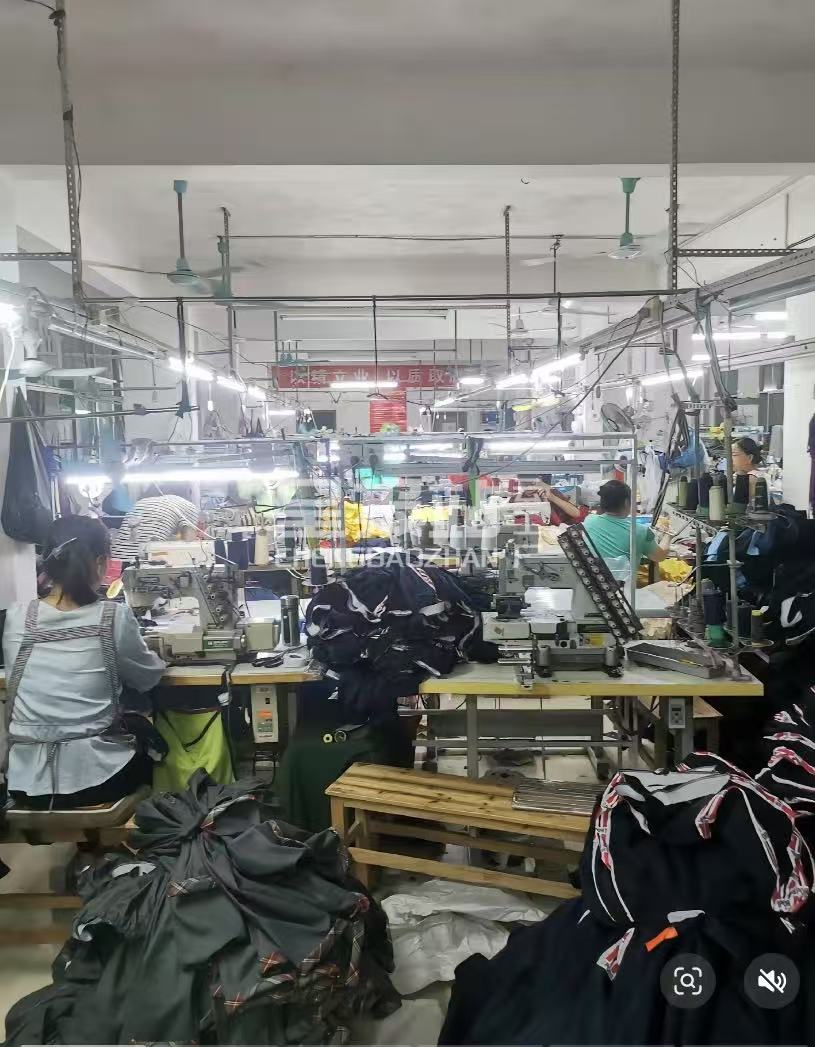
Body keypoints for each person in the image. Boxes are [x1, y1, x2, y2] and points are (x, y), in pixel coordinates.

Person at [3, 515, 166, 809]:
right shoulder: (112, 617)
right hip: (99, 778)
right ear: (101, 562)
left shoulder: (17, 618)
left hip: (24, 782)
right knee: (152, 741)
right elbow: (148, 678)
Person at [583, 479, 670, 564]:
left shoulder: (589, 520)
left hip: (595, 573)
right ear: (627, 502)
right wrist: (668, 535)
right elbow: (659, 556)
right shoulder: (640, 531)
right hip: (623, 574)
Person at [110, 488, 201, 563]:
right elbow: (188, 542)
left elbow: (143, 533)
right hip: (143, 562)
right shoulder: (189, 506)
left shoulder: (142, 502)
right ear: (189, 492)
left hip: (116, 560)